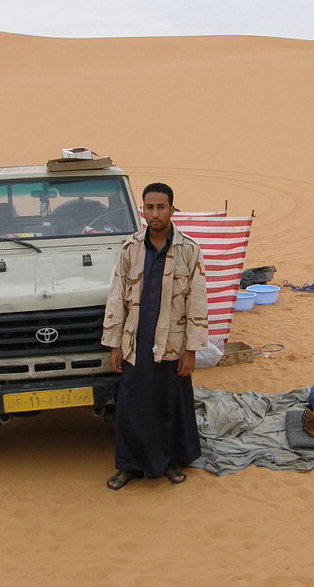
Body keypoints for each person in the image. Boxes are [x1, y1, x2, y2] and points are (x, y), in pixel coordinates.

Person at [102, 182, 208, 490]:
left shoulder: (188, 250)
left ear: (173, 209)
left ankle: (171, 462)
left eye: (161, 207)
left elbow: (197, 300)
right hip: (135, 340)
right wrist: (114, 344)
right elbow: (116, 297)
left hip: (172, 342)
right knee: (132, 404)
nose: (155, 213)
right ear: (143, 210)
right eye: (149, 207)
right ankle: (129, 466)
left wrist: (191, 350)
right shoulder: (130, 248)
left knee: (169, 403)